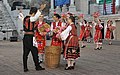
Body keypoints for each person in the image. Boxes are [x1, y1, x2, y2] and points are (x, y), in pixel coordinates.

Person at [23, 4, 46, 72]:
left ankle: (26, 67)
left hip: (27, 37)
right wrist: (40, 10)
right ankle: (37, 66)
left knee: (26, 53)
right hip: (29, 37)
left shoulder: (26, 18)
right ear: (33, 13)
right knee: (34, 51)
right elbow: (34, 18)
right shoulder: (29, 18)